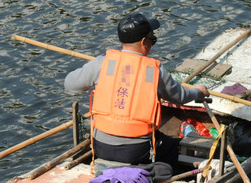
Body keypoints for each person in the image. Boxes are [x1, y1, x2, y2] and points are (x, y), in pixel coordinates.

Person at [64, 12, 208, 168]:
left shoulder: (102, 63)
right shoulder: (155, 71)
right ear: (144, 42)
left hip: (100, 146)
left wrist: (92, 70)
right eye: (153, 40)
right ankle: (160, 179)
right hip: (136, 151)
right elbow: (180, 96)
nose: (152, 44)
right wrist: (199, 91)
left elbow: (70, 85)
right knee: (171, 146)